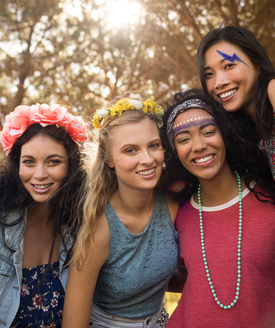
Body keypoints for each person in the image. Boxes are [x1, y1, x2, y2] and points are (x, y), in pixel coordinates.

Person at [160, 89, 275, 328]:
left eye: (208, 132)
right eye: (183, 139)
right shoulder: (178, 212)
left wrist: (260, 278)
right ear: (174, 151)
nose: (199, 145)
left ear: (225, 134)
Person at [62, 98, 179, 328]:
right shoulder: (100, 227)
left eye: (153, 145)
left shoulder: (173, 206)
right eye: (130, 150)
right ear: (109, 160)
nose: (147, 159)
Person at [197, 25, 275, 223]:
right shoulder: (250, 133)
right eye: (209, 74)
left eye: (229, 66)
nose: (219, 82)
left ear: (257, 64)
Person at [0, 103, 88, 328]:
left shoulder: (81, 223)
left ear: (71, 166)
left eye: (53, 162)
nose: (39, 175)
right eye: (29, 162)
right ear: (16, 165)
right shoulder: (2, 222)